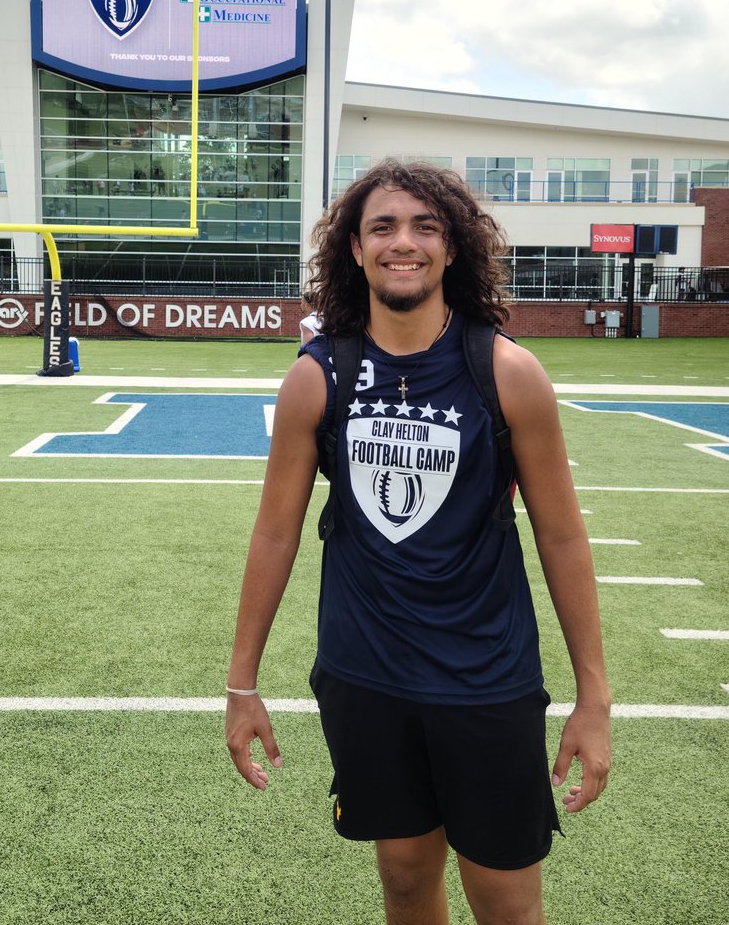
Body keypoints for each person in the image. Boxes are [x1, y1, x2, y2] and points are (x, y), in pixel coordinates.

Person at [226, 161, 611, 925]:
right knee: (403, 878)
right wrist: (242, 685)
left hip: (485, 678)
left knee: (506, 903)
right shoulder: (319, 377)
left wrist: (592, 697)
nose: (403, 242)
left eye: (424, 227)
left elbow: (563, 537)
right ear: (356, 249)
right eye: (383, 227)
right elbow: (274, 532)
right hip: (366, 674)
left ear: (453, 246)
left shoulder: (507, 372)